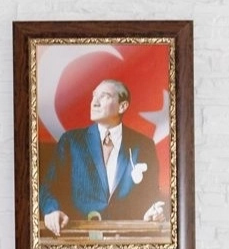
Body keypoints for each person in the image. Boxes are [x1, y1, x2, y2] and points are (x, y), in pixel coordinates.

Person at [38, 79, 166, 235]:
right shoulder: (71, 141)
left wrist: (152, 211)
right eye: (94, 96)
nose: (94, 102)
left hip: (126, 237)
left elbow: (151, 193)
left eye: (104, 96)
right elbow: (48, 187)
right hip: (79, 236)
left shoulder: (144, 145)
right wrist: (51, 210)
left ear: (122, 106)